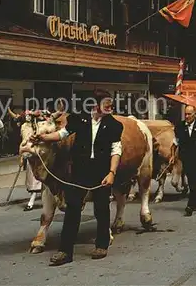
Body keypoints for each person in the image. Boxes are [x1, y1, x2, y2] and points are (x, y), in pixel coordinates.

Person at [31, 90, 123, 266]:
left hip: (102, 171)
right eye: (107, 104)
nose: (111, 107)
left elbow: (116, 150)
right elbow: (62, 134)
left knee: (101, 208)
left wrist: (111, 173)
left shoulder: (114, 125)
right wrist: (44, 137)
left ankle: (101, 244)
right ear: (96, 105)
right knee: (73, 207)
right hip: (80, 171)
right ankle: (65, 251)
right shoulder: (79, 119)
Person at [170, 105, 196, 217]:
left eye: (189, 114)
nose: (187, 116)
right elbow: (175, 144)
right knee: (191, 181)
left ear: (195, 114)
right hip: (186, 158)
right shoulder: (179, 127)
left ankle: (190, 206)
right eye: (186, 114)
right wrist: (172, 156)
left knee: (195, 182)